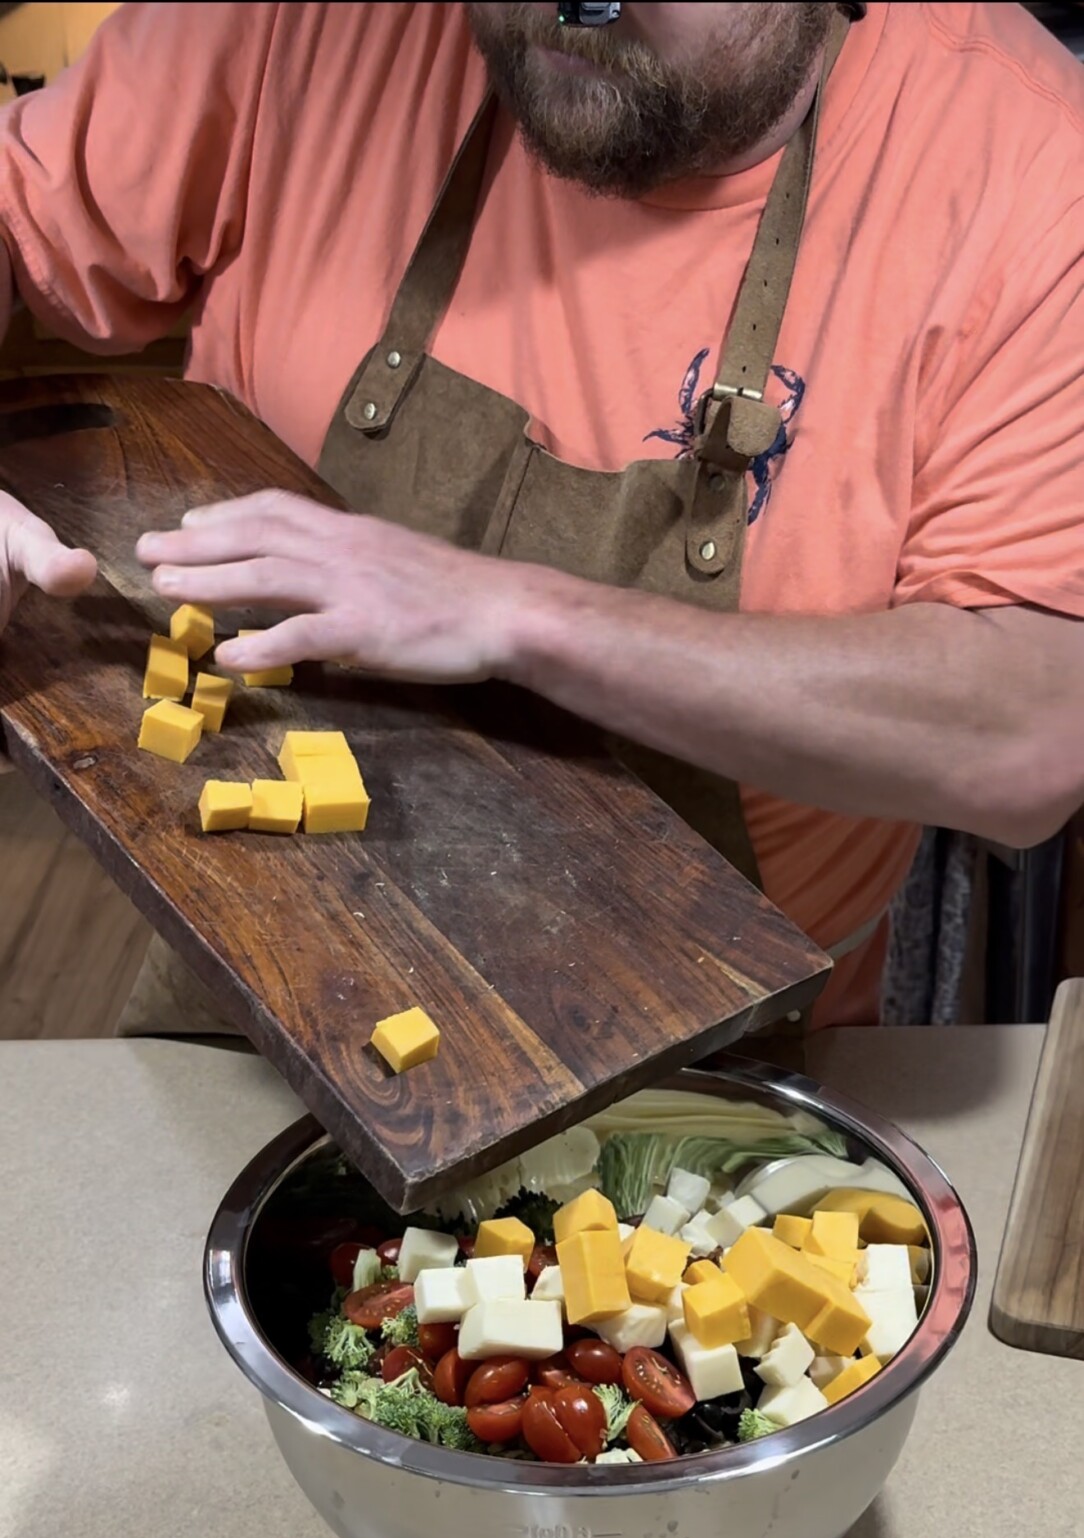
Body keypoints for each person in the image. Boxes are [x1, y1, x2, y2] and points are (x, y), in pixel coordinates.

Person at [0, 0, 1080, 1034]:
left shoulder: (1028, 167)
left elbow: (1029, 734)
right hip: (254, 962)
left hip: (716, 1057)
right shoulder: (307, 21)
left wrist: (513, 614)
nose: (564, 22)